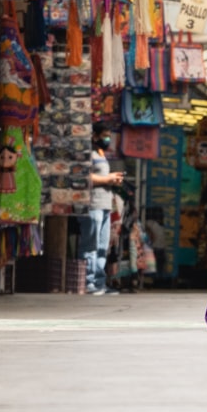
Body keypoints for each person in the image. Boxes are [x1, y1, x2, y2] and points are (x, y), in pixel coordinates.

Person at [80, 123, 123, 295]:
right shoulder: (88, 153)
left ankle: (99, 282)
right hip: (93, 203)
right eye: (104, 135)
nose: (107, 139)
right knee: (91, 243)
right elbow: (83, 176)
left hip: (105, 204)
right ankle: (88, 281)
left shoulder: (101, 154)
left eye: (108, 135)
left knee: (102, 246)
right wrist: (107, 179)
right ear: (95, 136)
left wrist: (112, 180)